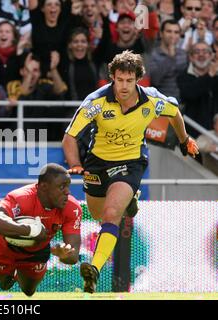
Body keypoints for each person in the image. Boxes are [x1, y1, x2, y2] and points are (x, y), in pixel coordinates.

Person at [62, 51, 199, 294]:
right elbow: (70, 136)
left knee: (111, 214)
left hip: (131, 161)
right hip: (97, 163)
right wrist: (75, 163)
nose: (124, 86)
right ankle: (130, 202)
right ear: (111, 77)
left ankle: (94, 268)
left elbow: (174, 112)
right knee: (97, 213)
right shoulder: (96, 102)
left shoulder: (152, 100)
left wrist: (184, 139)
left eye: (129, 80)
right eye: (119, 79)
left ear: (138, 79)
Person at [0, 163, 82, 297]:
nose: (67, 192)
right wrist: (29, 230)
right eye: (61, 187)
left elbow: (73, 256)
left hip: (35, 252)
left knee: (29, 291)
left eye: (68, 186)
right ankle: (7, 273)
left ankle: (16, 274)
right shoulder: (21, 198)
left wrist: (63, 254)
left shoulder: (72, 208)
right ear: (43, 187)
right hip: (3, 247)